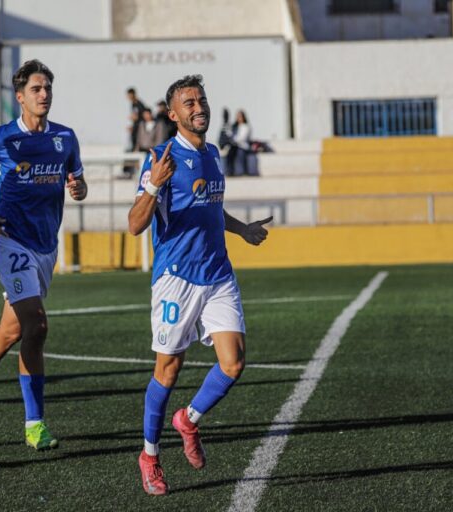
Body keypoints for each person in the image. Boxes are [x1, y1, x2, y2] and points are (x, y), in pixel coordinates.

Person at [128, 75, 271, 496]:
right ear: (173, 115)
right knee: (167, 371)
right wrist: (154, 183)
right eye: (189, 102)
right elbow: (135, 224)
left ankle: (188, 419)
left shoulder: (212, 153)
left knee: (234, 362)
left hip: (218, 274)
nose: (198, 106)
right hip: (176, 280)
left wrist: (241, 229)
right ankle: (150, 455)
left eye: (201, 99)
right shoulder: (160, 157)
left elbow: (211, 207)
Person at [0, 59, 87, 450]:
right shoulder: (1, 139)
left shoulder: (65, 137)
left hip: (47, 247)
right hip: (11, 241)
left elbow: (77, 183)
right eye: (36, 89)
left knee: (11, 330)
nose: (44, 95)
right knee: (37, 326)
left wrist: (79, 189)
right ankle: (34, 424)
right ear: (19, 97)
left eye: (47, 88)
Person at [232, 109, 253, 176]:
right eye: (237, 116)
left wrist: (233, 139)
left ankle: (240, 172)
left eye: (240, 116)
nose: (238, 118)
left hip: (243, 147)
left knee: (240, 153)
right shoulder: (234, 126)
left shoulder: (246, 126)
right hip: (234, 146)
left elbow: (242, 138)